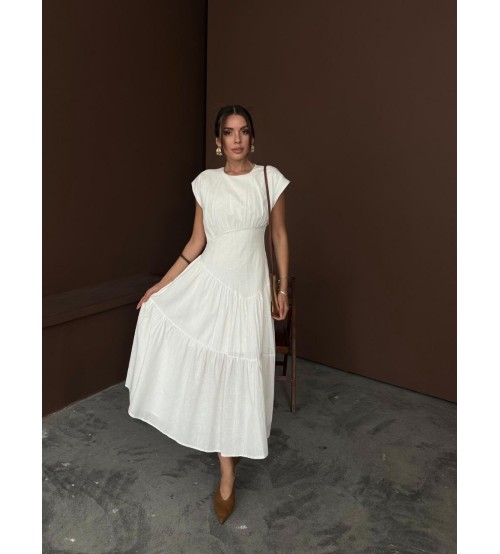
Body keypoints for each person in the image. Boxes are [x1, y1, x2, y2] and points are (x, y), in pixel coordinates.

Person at [125, 104, 291, 524]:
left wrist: (281, 288)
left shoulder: (269, 179)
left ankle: (231, 459)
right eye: (229, 132)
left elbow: (279, 235)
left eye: (244, 131)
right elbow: (195, 243)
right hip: (211, 290)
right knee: (217, 376)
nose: (237, 139)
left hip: (250, 294)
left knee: (241, 374)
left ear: (252, 138)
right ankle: (227, 473)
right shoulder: (205, 183)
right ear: (219, 142)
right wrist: (161, 286)